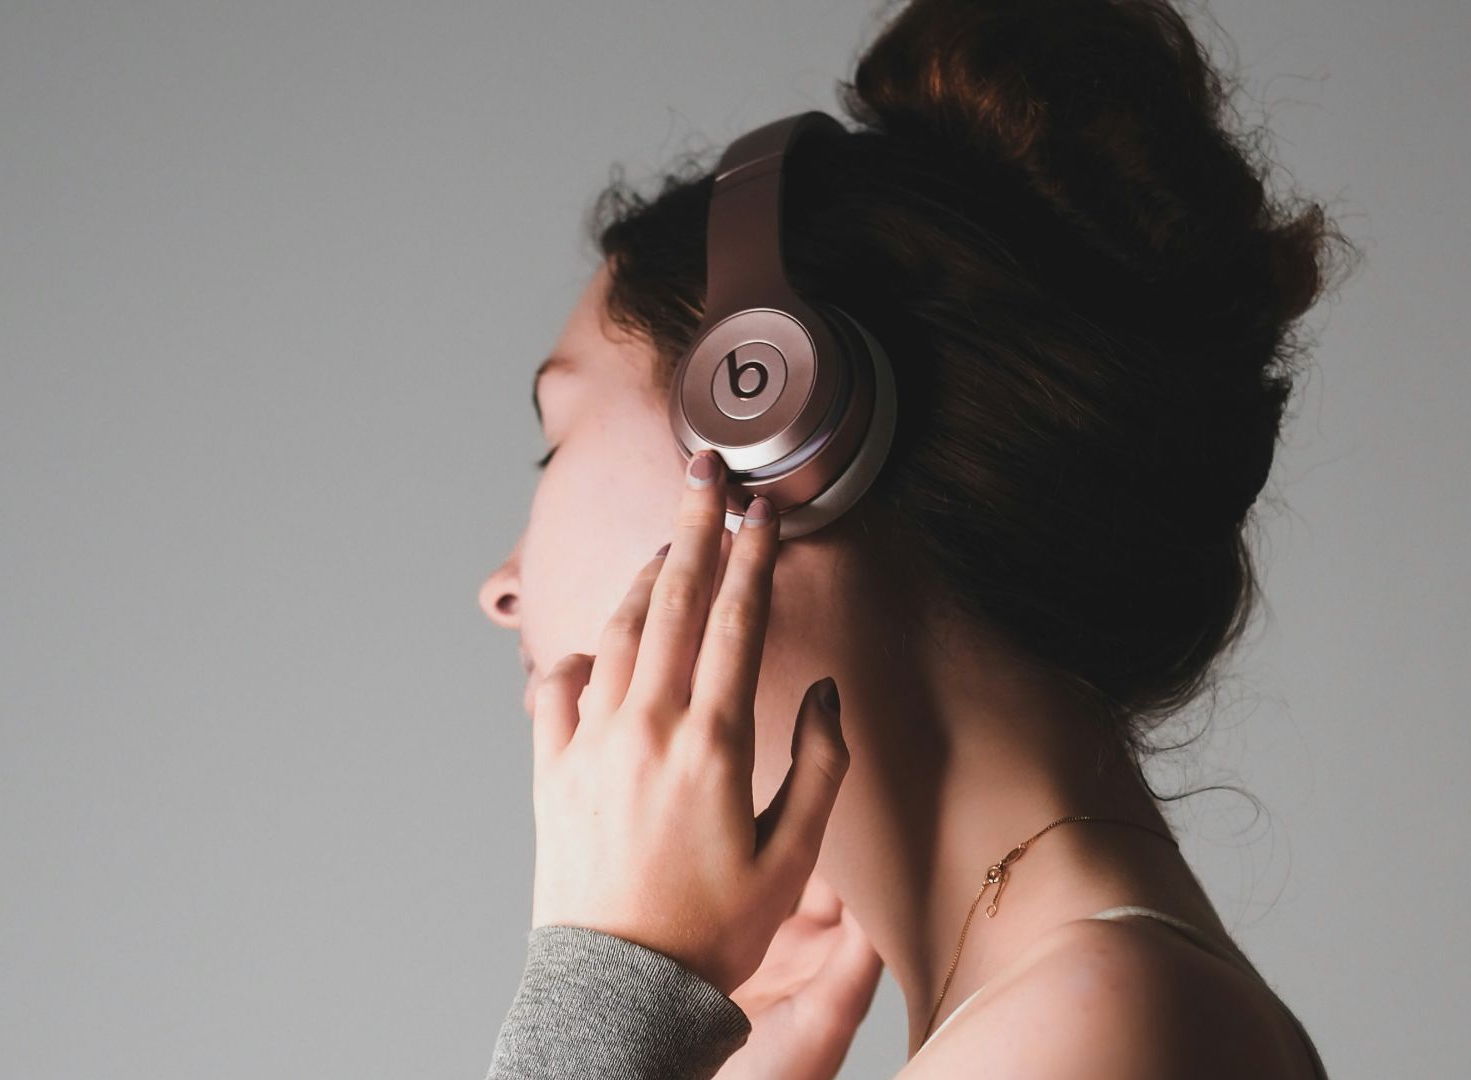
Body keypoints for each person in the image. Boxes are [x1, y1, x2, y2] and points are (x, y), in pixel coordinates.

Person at [478, 0, 1354, 1076]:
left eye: (552, 443)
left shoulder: (1091, 1022)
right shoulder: (1057, 1005)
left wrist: (606, 993)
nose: (499, 589)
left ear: (770, 419)